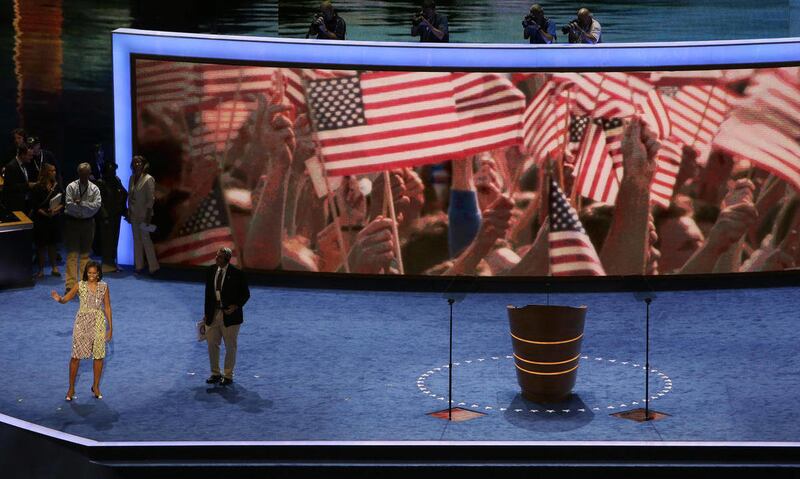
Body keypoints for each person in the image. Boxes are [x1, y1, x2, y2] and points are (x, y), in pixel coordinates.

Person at [50, 260, 113, 401]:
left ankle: (95, 386)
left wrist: (110, 328)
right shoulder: (80, 285)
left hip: (98, 323)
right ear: (86, 273)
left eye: (94, 273)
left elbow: (107, 307)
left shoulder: (104, 287)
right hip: (82, 323)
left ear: (98, 274)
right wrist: (59, 299)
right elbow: (66, 298)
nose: (91, 275)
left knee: (99, 356)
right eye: (89, 273)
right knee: (75, 356)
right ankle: (71, 388)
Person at [203, 247, 250, 386]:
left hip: (230, 317)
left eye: (219, 257)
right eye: (216, 256)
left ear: (227, 259)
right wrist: (206, 314)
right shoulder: (210, 271)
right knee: (212, 344)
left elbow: (245, 294)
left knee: (230, 346)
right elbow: (207, 295)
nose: (216, 259)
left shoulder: (237, 274)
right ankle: (215, 373)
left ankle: (228, 375)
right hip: (213, 314)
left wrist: (235, 306)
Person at [64, 163, 102, 293]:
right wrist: (85, 207)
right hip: (73, 222)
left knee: (86, 255)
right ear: (78, 173)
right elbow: (69, 205)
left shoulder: (95, 189)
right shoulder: (71, 186)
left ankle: (84, 285)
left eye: (86, 173)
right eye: (81, 173)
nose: (84, 175)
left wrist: (81, 203)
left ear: (90, 173)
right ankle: (70, 285)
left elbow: (96, 206)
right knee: (72, 255)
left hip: (88, 223)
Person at [31, 163, 63, 278]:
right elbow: (35, 206)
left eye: (55, 170)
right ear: (46, 172)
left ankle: (54, 267)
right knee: (41, 246)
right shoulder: (37, 187)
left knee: (53, 244)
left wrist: (55, 210)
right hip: (41, 220)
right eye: (52, 171)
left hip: (53, 219)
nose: (54, 173)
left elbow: (62, 202)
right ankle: (41, 270)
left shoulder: (57, 186)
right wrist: (45, 213)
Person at [128, 155, 159, 274]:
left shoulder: (148, 178)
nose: (137, 164)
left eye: (139, 162)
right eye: (135, 162)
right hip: (133, 213)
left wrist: (148, 215)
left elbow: (151, 199)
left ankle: (153, 267)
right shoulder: (131, 178)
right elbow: (130, 196)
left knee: (146, 239)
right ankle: (139, 266)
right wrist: (129, 210)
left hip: (144, 214)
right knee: (136, 240)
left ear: (144, 164)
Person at [97, 162, 127, 273]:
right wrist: (104, 216)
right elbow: (99, 201)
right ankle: (106, 262)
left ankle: (112, 261)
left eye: (114, 170)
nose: (113, 172)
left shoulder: (116, 180)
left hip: (116, 214)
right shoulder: (101, 182)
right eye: (111, 170)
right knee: (106, 240)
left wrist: (124, 209)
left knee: (114, 239)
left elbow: (124, 193)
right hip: (106, 216)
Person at [2, 145, 36, 213]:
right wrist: (28, 185)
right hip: (15, 206)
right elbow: (10, 187)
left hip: (25, 203)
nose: (31, 158)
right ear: (23, 155)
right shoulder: (11, 167)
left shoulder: (26, 164)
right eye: (29, 155)